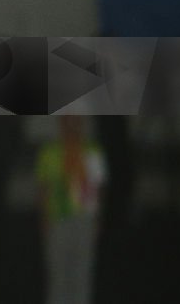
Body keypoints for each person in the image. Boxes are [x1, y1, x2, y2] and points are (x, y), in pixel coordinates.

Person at [35, 116, 106, 304]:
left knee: (82, 272)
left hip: (84, 218)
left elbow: (97, 186)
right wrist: (44, 217)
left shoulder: (91, 150)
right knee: (58, 274)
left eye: (76, 120)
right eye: (68, 120)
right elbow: (44, 188)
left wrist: (97, 218)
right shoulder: (50, 152)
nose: (72, 124)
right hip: (58, 218)